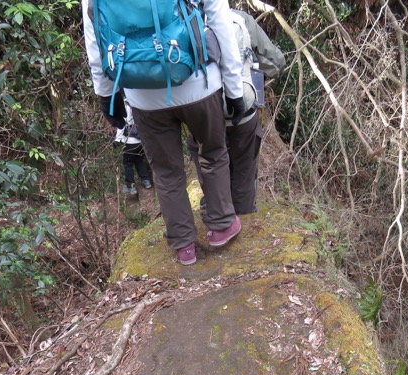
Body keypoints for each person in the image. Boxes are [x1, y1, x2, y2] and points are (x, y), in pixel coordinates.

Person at [82, 0, 246, 266]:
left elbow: (95, 38)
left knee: (166, 172)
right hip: (199, 82)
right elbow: (220, 22)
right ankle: (222, 225)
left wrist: (105, 94)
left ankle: (184, 246)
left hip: (143, 94)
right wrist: (234, 87)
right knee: (213, 154)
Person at [189, 8, 286, 216]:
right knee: (244, 167)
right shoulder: (241, 19)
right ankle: (244, 217)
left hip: (202, 111)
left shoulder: (182, 17)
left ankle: (216, 211)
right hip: (242, 111)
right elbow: (277, 62)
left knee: (208, 161)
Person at [115, 99, 153, 196]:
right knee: (139, 160)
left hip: (130, 141)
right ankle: (146, 180)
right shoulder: (136, 101)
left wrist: (117, 139)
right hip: (140, 139)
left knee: (128, 163)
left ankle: (130, 186)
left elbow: (122, 123)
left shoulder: (125, 104)